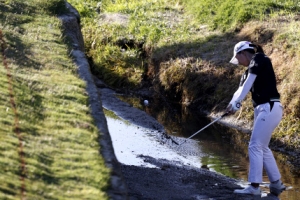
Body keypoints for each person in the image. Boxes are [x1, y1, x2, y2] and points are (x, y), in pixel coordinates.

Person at [226, 41, 286, 196]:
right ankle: (277, 184)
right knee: (262, 147)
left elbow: (248, 85)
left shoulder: (259, 58)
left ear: (242, 53)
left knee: (254, 146)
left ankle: (254, 187)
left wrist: (237, 103)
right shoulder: (248, 70)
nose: (238, 62)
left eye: (237, 58)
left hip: (269, 107)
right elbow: (241, 89)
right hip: (263, 109)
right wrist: (231, 105)